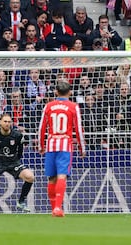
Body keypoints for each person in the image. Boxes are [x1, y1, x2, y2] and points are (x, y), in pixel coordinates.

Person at [38, 82, 86, 217]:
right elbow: (79, 129)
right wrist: (82, 148)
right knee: (62, 176)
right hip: (65, 145)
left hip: (51, 144)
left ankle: (54, 208)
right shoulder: (73, 107)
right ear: (70, 93)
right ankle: (58, 208)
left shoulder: (49, 106)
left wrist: (41, 146)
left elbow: (42, 128)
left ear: (56, 92)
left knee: (51, 178)